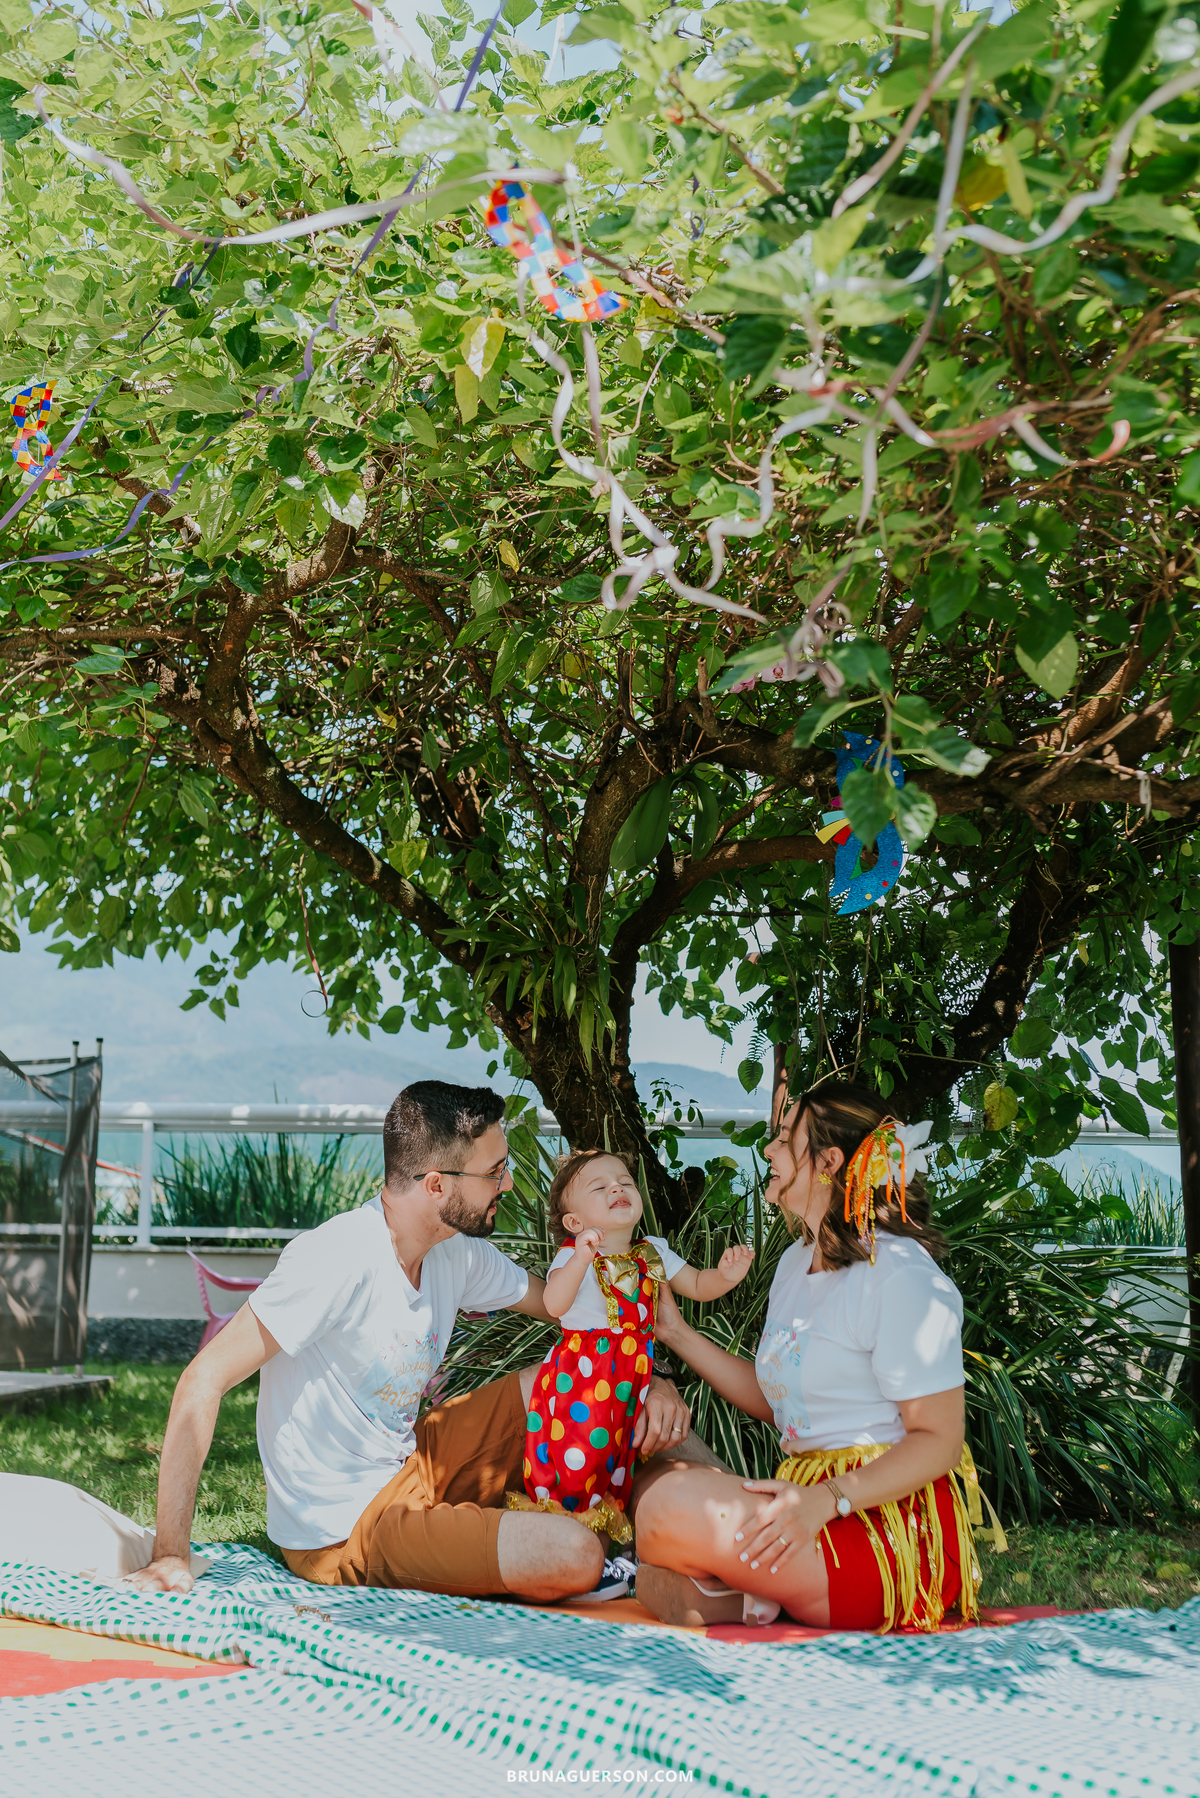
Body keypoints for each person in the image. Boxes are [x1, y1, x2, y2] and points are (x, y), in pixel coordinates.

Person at [127, 1082, 692, 1604]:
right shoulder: (336, 1258)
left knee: (578, 1380)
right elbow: (203, 1380)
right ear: (437, 1185)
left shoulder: (455, 1249)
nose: (509, 1183)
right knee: (573, 1555)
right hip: (346, 1529)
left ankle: (716, 1511)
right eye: (495, 1172)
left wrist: (655, 1379)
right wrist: (172, 1553)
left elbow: (569, 1315)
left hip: (414, 1464)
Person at [631, 1082, 993, 1634]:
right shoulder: (795, 1263)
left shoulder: (901, 1275)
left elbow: (939, 1441)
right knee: (656, 1485)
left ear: (828, 1162)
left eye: (782, 1139)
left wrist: (824, 1501)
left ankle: (739, 1594)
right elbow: (781, 1404)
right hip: (808, 1500)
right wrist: (675, 1333)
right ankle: (755, 1594)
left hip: (881, 1526)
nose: (769, 1151)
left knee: (669, 1508)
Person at [507, 1148, 754, 1542]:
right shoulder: (573, 1256)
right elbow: (555, 1304)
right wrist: (581, 1258)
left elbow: (696, 1285)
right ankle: (561, 1540)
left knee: (614, 1466)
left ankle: (598, 1548)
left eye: (624, 1182)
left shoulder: (651, 1250)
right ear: (575, 1222)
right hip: (583, 1379)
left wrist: (725, 1275)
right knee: (578, 1460)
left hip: (630, 1381)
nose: (617, 1188)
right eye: (600, 1186)